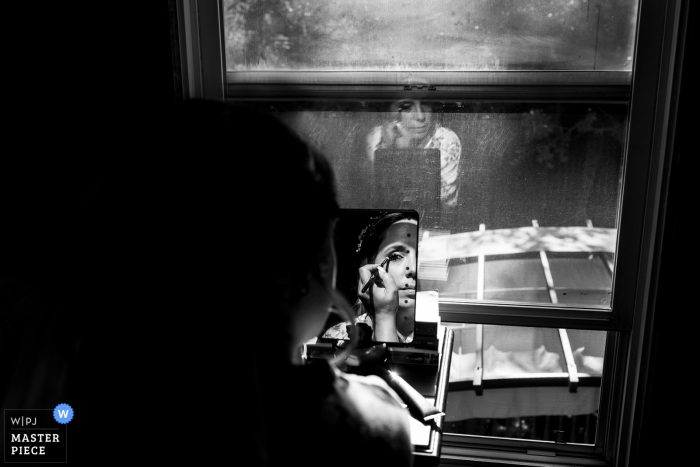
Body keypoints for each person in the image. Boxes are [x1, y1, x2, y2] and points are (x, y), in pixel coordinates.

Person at [323, 211, 418, 344]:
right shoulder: (340, 338)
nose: (413, 269)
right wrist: (383, 316)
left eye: (422, 255)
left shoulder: (445, 339)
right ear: (369, 266)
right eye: (395, 256)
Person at [367, 98, 461, 207]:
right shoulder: (376, 138)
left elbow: (435, 206)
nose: (420, 117)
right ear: (391, 113)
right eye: (406, 107)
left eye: (426, 104)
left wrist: (405, 151)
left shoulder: (445, 140)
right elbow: (375, 201)